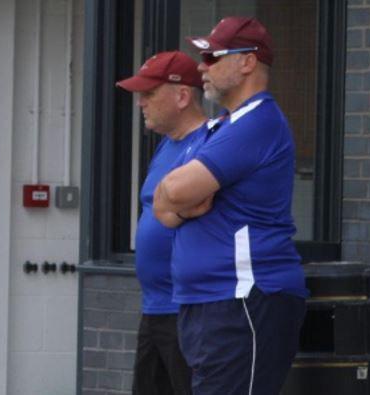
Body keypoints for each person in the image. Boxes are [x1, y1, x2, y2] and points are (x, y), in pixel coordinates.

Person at [153, 17, 308, 395]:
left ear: (247, 62)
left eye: (212, 57)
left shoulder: (258, 122)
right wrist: (178, 201)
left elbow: (174, 192)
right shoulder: (222, 125)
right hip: (209, 303)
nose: (201, 67)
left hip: (242, 302)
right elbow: (162, 200)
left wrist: (177, 199)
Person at [116, 51, 209, 395]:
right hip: (154, 306)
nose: (141, 102)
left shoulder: (209, 144)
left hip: (186, 309)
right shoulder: (167, 146)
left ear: (183, 96)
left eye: (150, 93)